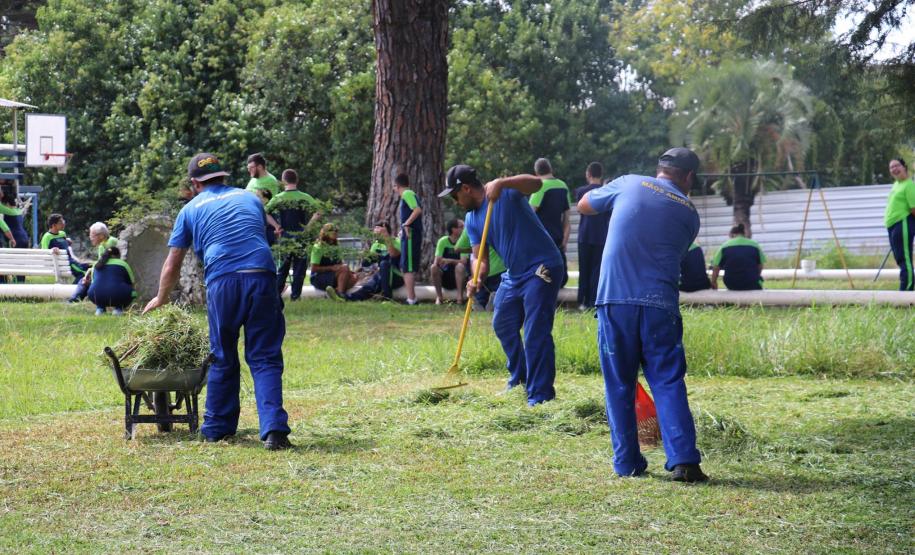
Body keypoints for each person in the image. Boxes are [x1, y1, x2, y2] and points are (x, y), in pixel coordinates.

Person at [143, 153, 291, 450]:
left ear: (195, 183)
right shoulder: (250, 199)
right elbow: (256, 237)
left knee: (222, 353)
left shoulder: (190, 209)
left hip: (223, 281)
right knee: (264, 356)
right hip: (261, 275)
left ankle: (217, 428)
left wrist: (161, 297)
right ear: (224, 176)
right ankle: (274, 430)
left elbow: (173, 262)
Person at [577, 147, 708, 482]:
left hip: (616, 300)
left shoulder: (629, 183)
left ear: (659, 168)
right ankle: (684, 461)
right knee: (666, 380)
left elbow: (585, 205)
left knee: (619, 382)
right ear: (689, 178)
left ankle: (628, 463)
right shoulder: (690, 214)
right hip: (660, 305)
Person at [441, 164, 563, 406]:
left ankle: (540, 396)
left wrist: (503, 182)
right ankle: (520, 378)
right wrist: (475, 278)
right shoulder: (472, 218)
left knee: (535, 331)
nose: (455, 201)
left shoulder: (504, 193)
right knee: (503, 323)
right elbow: (480, 257)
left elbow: (536, 183)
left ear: (465, 188)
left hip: (541, 268)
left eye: (455, 195)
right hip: (515, 275)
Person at [266, 169, 322, 299]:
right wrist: (308, 227)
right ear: (297, 180)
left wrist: (276, 226)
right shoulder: (305, 197)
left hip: (285, 236)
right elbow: (318, 211)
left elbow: (265, 212)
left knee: (283, 268)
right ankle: (295, 297)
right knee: (299, 269)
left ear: (283, 181)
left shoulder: (279, 198)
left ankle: (276, 295)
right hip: (301, 236)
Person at [574, 162, 610, 308]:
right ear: (601, 174)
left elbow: (580, 210)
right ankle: (594, 300)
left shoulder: (581, 191)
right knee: (597, 270)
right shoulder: (607, 191)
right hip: (601, 235)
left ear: (588, 174)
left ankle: (582, 300)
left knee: (584, 269)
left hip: (584, 234)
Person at [530, 158, 571, 287]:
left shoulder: (539, 187)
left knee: (540, 277)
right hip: (558, 239)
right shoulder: (563, 186)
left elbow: (528, 214)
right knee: (560, 277)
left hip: (542, 242)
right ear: (551, 169)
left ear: (536, 173)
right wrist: (564, 241)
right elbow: (567, 219)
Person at [455, 228, 506, 310]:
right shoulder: (501, 219)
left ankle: (481, 301)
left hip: (479, 271)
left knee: (480, 298)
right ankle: (495, 299)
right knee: (502, 296)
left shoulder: (471, 220)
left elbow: (457, 248)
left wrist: (477, 248)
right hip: (500, 269)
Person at [71, 221, 121, 302]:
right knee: (83, 279)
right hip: (105, 273)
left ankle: (73, 300)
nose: (90, 237)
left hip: (110, 275)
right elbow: (100, 262)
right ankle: (75, 300)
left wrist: (90, 272)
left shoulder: (111, 242)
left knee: (82, 280)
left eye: (92, 235)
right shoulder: (102, 245)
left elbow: (105, 263)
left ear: (101, 236)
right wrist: (89, 271)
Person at [884, 158, 915, 291]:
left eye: (897, 166)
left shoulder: (909, 185)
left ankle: (906, 293)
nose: (894, 169)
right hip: (892, 225)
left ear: (904, 167)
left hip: (902, 223)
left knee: (905, 259)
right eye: (891, 167)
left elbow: (913, 208)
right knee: (900, 259)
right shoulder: (896, 184)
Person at [710, 224, 766, 291]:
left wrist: (713, 282)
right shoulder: (755, 245)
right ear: (744, 234)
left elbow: (716, 267)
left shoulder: (724, 246)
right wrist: (755, 276)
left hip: (731, 284)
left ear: (732, 235)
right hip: (752, 283)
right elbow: (760, 265)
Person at [40, 213, 90, 287]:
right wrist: (52, 250)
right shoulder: (47, 237)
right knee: (82, 274)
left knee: (91, 266)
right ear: (53, 225)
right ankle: (72, 292)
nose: (63, 223)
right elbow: (44, 252)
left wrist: (67, 241)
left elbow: (61, 243)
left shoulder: (62, 234)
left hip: (71, 261)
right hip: (64, 263)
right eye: (60, 222)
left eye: (63, 220)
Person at [394, 173, 422, 304]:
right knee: (405, 265)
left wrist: (406, 223)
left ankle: (411, 299)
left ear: (397, 185)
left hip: (411, 235)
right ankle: (411, 297)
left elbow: (417, 210)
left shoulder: (407, 194)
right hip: (407, 234)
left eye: (394, 186)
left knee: (407, 267)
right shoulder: (408, 195)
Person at [310, 222, 358, 296]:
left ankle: (337, 291)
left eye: (336, 231)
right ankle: (341, 294)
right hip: (319, 277)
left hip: (334, 275)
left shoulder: (336, 245)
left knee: (354, 277)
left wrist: (349, 272)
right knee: (345, 268)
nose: (335, 232)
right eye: (332, 231)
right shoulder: (318, 247)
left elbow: (341, 264)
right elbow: (314, 268)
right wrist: (331, 268)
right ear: (325, 232)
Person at [87, 246, 136, 315]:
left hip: (95, 295)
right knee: (133, 292)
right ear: (116, 255)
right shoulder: (123, 264)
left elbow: (93, 282)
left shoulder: (96, 264)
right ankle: (119, 309)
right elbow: (132, 282)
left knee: (98, 288)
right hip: (118, 295)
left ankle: (100, 309)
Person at [431, 218, 468, 304]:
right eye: (461, 227)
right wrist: (440, 262)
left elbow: (464, 262)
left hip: (460, 278)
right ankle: (439, 297)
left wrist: (449, 260)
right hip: (445, 276)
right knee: (433, 268)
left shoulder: (464, 242)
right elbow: (437, 261)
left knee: (460, 266)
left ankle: (460, 298)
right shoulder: (442, 241)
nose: (464, 229)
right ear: (453, 229)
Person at [0, 186, 29, 283]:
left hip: (16, 238)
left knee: (15, 263)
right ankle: (21, 283)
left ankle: (16, 285)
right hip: (24, 238)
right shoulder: (18, 211)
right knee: (21, 263)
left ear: (6, 203)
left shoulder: (6, 210)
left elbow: (5, 227)